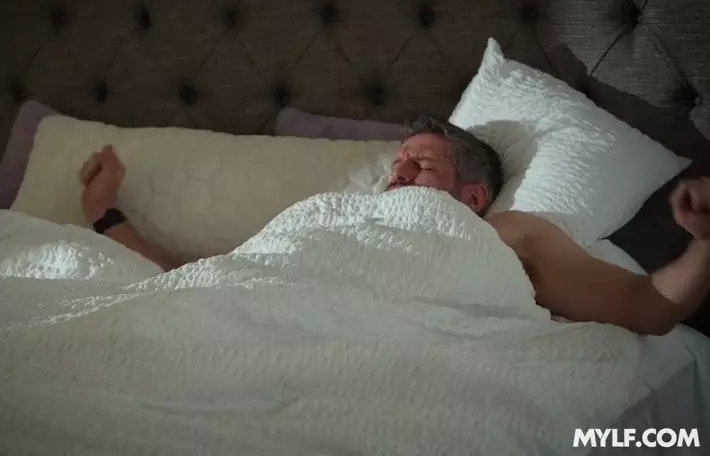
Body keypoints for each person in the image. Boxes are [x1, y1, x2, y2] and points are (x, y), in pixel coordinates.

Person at [78, 115, 710, 336]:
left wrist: (706, 240)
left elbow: (649, 307)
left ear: (472, 196)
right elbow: (204, 281)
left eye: (422, 164)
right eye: (397, 162)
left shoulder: (504, 235)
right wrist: (105, 214)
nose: (399, 171)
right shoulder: (335, 219)